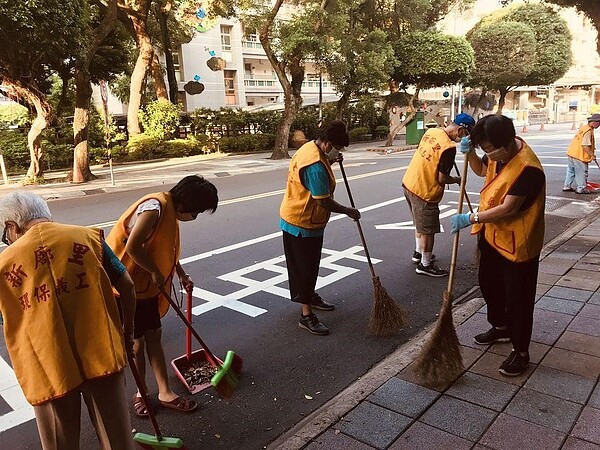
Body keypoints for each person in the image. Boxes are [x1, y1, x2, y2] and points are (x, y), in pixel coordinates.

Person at [0, 192, 137, 450]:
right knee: (116, 438)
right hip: (101, 353)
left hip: (47, 365)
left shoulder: (4, 265)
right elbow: (127, 286)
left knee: (59, 442)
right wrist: (126, 333)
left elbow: (5, 317)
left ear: (11, 227)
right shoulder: (86, 237)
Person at [106, 175, 218, 416]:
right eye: (196, 212)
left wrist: (181, 274)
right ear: (184, 204)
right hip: (127, 287)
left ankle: (165, 392)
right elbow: (132, 247)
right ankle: (141, 393)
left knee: (154, 335)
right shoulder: (154, 209)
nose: (195, 217)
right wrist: (156, 273)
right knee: (137, 343)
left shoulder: (169, 211)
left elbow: (164, 249)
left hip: (144, 286)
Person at [451, 114, 546, 377]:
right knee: (488, 283)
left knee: (518, 298)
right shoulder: (498, 154)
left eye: (490, 150)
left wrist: (471, 217)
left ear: (506, 144)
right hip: (493, 237)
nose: (488, 155)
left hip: (519, 244)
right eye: (484, 149)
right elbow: (482, 170)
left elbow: (509, 207)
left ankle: (521, 351)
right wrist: (469, 154)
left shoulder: (528, 169)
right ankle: (500, 327)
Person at [279, 120, 361, 336]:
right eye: (337, 147)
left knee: (310, 266)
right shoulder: (315, 166)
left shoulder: (310, 148)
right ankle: (306, 316)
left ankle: (310, 296)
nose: (338, 151)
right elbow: (323, 200)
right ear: (326, 142)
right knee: (305, 269)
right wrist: (348, 211)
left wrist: (331, 159)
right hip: (301, 222)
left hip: (304, 218)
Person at [402, 112, 475, 277]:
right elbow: (441, 179)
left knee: (420, 224)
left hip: (409, 184)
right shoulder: (449, 149)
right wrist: (457, 179)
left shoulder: (432, 132)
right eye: (467, 134)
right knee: (428, 229)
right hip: (424, 192)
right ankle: (425, 265)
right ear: (462, 131)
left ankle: (419, 253)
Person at [563, 113, 599, 194]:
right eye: (599, 123)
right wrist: (592, 155)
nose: (599, 125)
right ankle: (581, 188)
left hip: (572, 152)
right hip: (579, 154)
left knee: (571, 171)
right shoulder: (588, 131)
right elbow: (585, 145)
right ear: (594, 122)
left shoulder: (584, 128)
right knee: (581, 172)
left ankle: (567, 186)